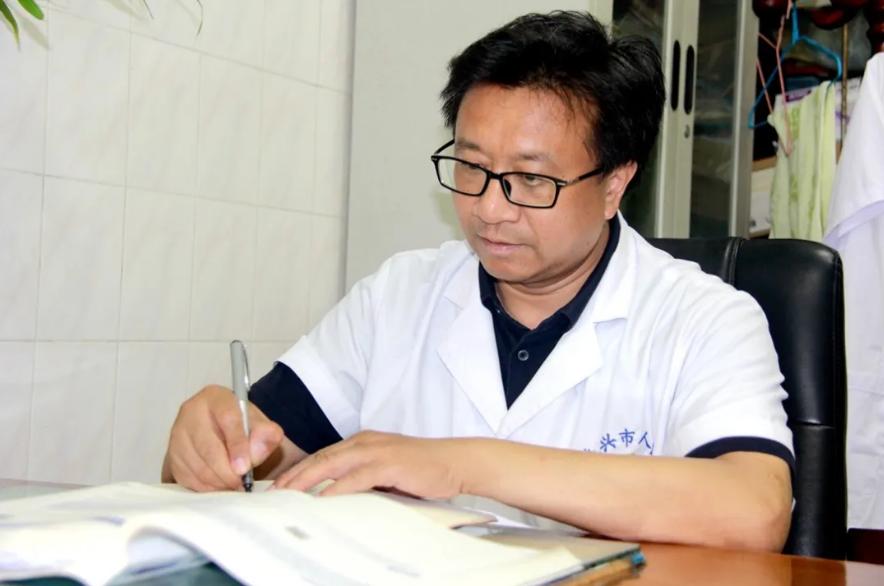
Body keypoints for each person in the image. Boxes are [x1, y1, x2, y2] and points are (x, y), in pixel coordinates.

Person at [162, 10, 794, 552]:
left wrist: (464, 464)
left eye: (531, 179)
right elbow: (262, 452)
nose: (490, 209)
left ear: (614, 184)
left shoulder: (704, 318)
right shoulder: (399, 296)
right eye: (471, 167)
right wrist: (212, 445)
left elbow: (753, 512)